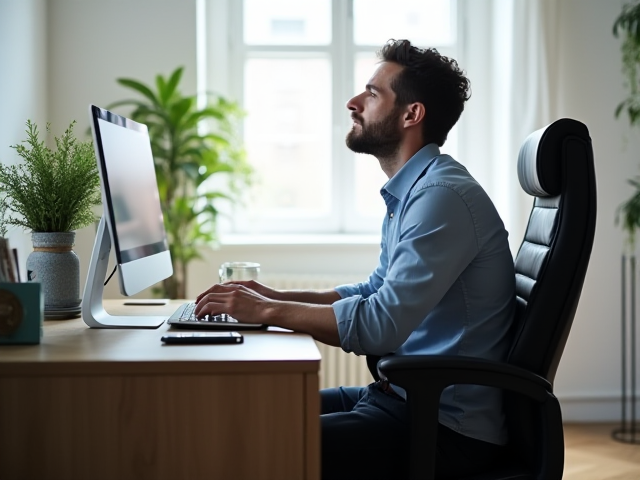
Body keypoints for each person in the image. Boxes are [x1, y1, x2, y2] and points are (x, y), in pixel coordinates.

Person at [195, 39, 516, 480]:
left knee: (243, 444)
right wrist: (273, 296)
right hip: (399, 399)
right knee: (237, 416)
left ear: (411, 114)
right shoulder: (416, 191)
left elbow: (380, 325)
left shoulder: (440, 197)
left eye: (371, 93)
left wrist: (266, 311)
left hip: (443, 430)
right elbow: (372, 292)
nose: (353, 102)